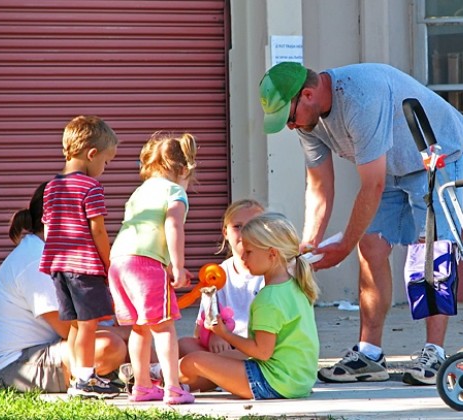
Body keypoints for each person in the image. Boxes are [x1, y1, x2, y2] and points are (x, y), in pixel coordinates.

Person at [259, 62, 463, 386]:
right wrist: (309, 246)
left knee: (430, 251)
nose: (290, 127)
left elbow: (370, 186)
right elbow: (319, 187)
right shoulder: (308, 123)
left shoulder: (360, 97)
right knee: (370, 245)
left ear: (308, 94)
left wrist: (342, 246)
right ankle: (370, 355)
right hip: (389, 168)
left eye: (289, 117)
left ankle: (435, 354)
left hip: (437, 157)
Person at [0, 182, 128, 393]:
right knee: (109, 346)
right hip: (15, 366)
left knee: (131, 342)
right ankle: (105, 376)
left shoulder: (61, 255)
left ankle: (137, 374)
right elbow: (69, 329)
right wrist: (124, 333)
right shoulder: (35, 259)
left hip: (52, 349)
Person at [178, 212, 320, 400]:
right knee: (223, 359)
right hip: (296, 380)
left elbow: (261, 352)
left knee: (194, 361)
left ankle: (156, 376)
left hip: (273, 382)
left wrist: (224, 333)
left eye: (249, 252)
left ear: (272, 254)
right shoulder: (295, 286)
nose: (243, 257)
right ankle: (178, 385)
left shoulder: (269, 298)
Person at [108, 132, 197, 405]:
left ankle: (143, 386)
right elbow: (173, 226)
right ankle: (173, 387)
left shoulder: (139, 192)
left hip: (119, 262)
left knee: (140, 327)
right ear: (183, 169)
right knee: (164, 326)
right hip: (145, 264)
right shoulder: (175, 191)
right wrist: (178, 266)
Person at [39, 115, 121, 398]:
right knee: (88, 324)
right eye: (106, 162)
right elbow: (97, 229)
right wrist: (108, 261)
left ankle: (78, 376)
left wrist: (53, 261)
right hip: (84, 266)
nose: (105, 169)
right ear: (92, 154)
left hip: (58, 267)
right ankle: (86, 378)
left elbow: (48, 229)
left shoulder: (51, 187)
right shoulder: (91, 187)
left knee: (74, 324)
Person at [177, 198, 266, 392]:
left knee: (199, 362)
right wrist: (215, 336)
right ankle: (197, 377)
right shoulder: (217, 274)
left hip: (255, 350)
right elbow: (201, 329)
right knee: (184, 345)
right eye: (238, 226)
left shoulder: (270, 274)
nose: (245, 233)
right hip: (224, 349)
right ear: (225, 232)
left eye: (253, 226)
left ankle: (164, 378)